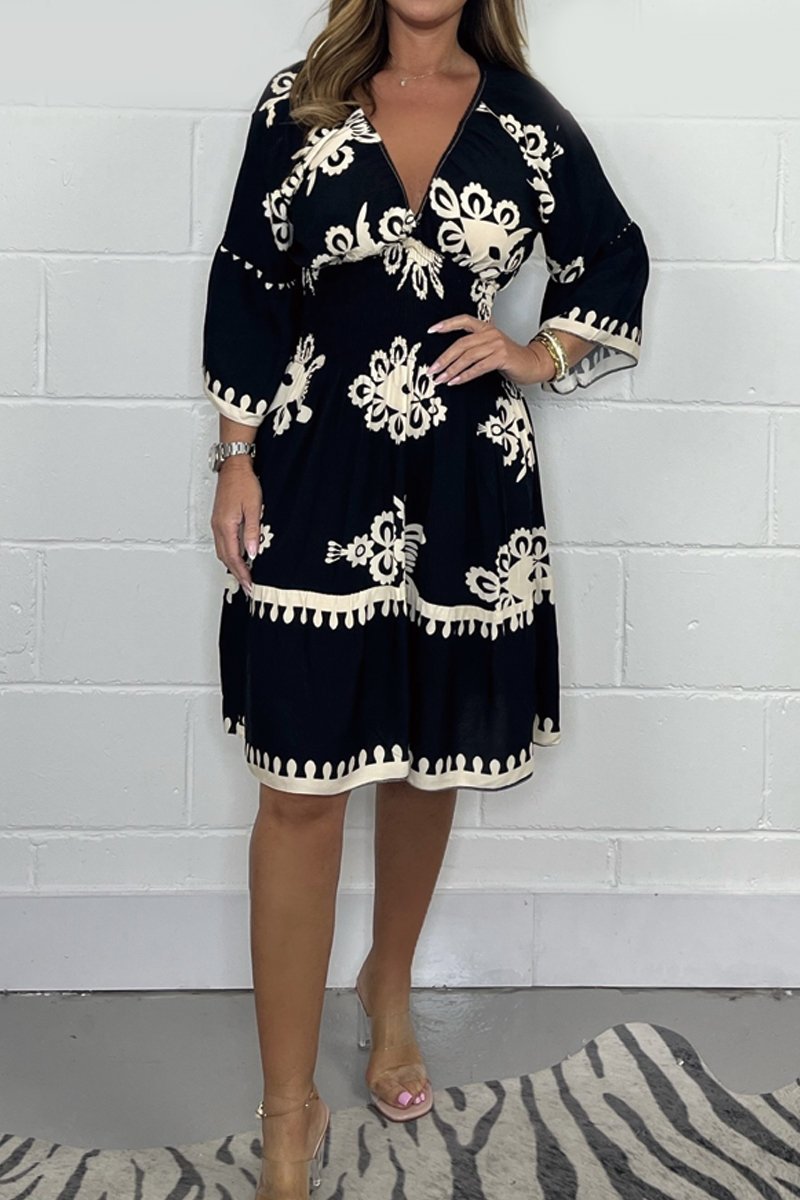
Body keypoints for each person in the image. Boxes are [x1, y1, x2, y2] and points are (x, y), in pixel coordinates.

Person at [200, 0, 649, 1195]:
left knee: (423, 755)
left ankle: (387, 987)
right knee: (296, 788)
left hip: (464, 479)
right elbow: (248, 281)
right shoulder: (300, 105)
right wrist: (235, 455)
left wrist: (535, 354)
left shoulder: (524, 121)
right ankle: (287, 1110)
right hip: (313, 469)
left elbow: (612, 253)